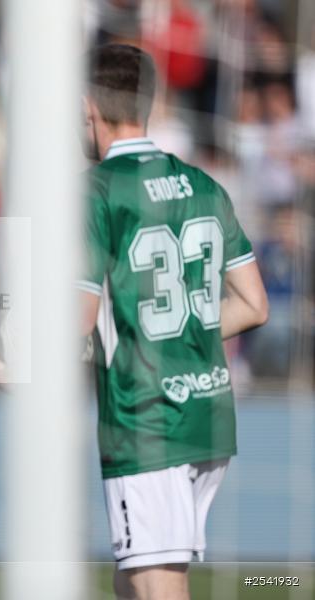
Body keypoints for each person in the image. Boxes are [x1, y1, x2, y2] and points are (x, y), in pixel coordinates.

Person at [78, 45, 269, 600]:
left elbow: (77, 320)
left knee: (159, 583)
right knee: (135, 575)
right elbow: (254, 304)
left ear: (87, 104)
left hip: (146, 418)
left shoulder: (95, 191)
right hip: (209, 411)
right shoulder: (204, 185)